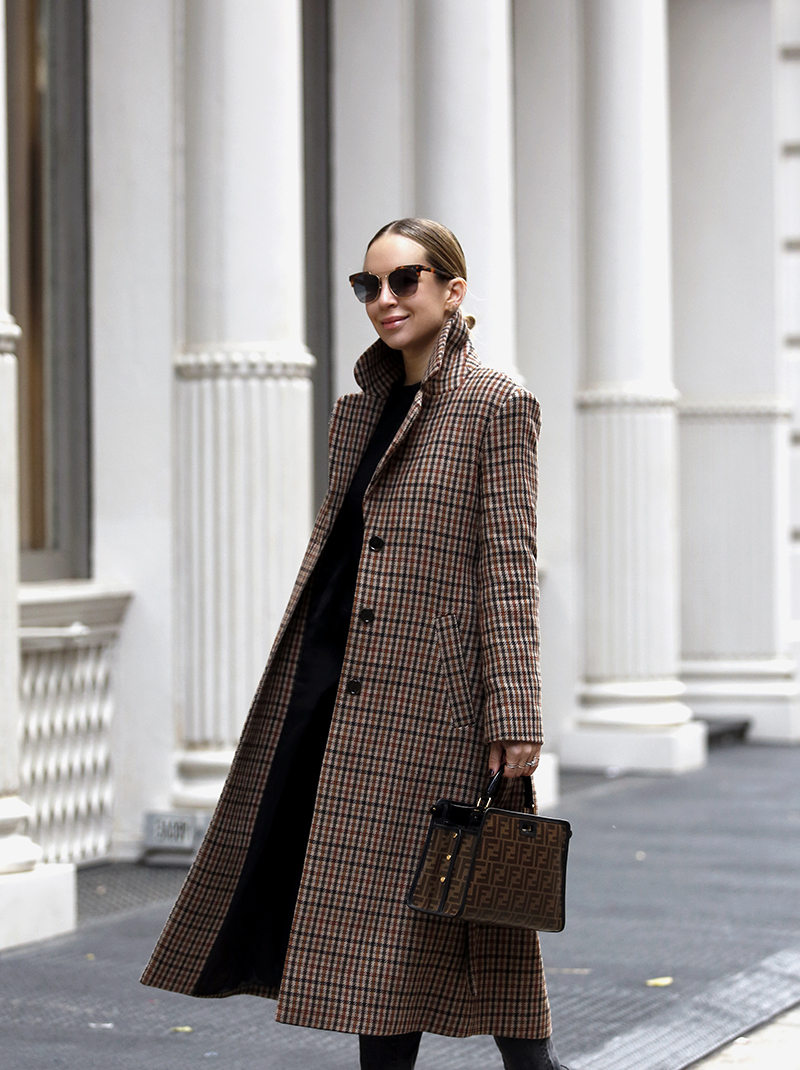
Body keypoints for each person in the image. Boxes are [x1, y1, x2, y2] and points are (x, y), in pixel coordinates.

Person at [141, 218, 567, 1070]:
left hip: (436, 701)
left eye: (404, 281)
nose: (384, 300)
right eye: (367, 285)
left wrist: (514, 710)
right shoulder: (358, 409)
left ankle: (536, 1067)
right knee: (400, 917)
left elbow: (509, 569)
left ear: (453, 290)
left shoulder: (498, 404)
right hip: (341, 686)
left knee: (464, 904)